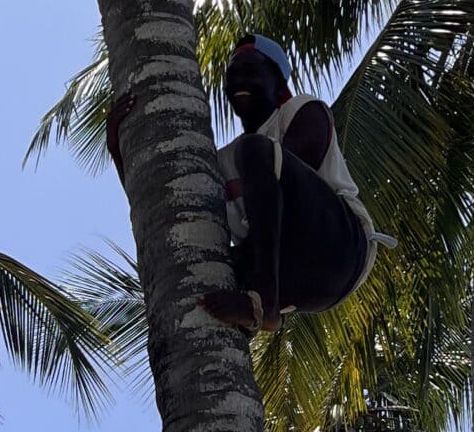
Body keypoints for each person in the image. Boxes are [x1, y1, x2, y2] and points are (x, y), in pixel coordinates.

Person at [107, 35, 377, 332]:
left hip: (339, 250)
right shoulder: (222, 162)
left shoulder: (301, 109)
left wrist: (234, 192)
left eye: (250, 70)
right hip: (299, 282)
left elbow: (290, 184)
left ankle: (264, 306)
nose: (239, 82)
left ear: (278, 82)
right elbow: (160, 206)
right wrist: (119, 148)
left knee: (255, 150)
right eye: (232, 76)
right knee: (193, 268)